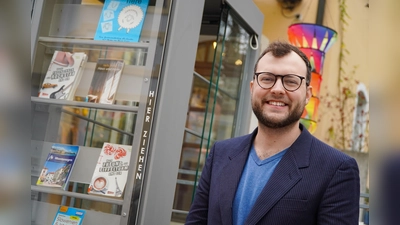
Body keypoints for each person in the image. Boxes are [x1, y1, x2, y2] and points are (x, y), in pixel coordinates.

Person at [185, 41, 360, 225]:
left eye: (291, 81)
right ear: (253, 87)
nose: (277, 89)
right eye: (267, 78)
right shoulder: (221, 153)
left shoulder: (336, 169)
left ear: (308, 94)